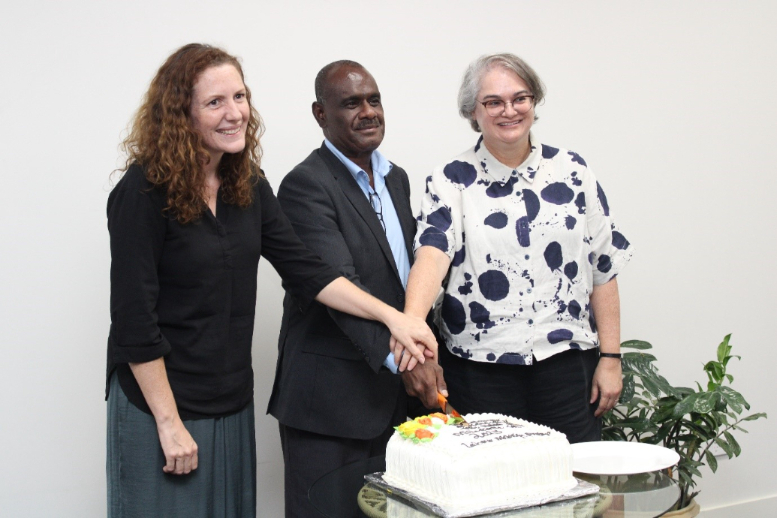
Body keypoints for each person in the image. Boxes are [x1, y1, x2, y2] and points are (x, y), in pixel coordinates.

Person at [106, 45, 436, 518]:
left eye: (239, 97)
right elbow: (135, 320)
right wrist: (168, 422)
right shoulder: (141, 192)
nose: (234, 112)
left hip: (229, 397)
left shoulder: (247, 184)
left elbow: (309, 271)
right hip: (160, 403)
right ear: (181, 113)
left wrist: (393, 318)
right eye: (215, 102)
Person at [399, 53, 634, 444]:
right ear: (473, 112)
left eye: (520, 98)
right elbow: (432, 253)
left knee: (575, 484)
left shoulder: (574, 171)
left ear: (534, 102)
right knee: (496, 490)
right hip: (480, 372)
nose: (509, 110)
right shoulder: (450, 181)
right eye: (493, 102)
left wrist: (611, 358)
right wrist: (411, 327)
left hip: (565, 366)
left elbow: (603, 267)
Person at [266, 60, 446, 517]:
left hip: (395, 405)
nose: (368, 112)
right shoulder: (305, 185)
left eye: (374, 99)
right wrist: (406, 360)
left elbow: (406, 280)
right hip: (330, 406)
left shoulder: (397, 178)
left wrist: (422, 354)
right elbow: (339, 289)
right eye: (350, 103)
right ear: (320, 114)